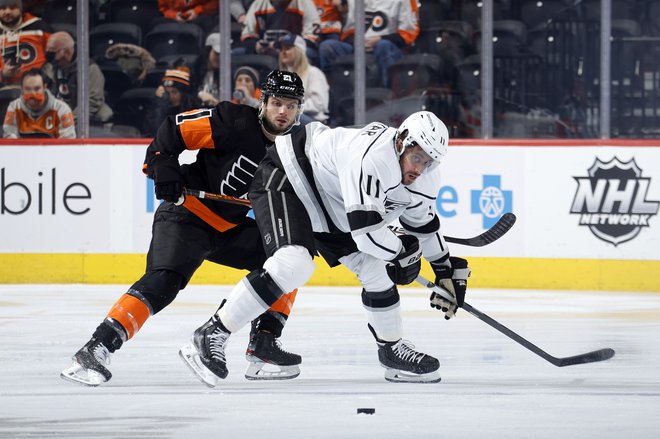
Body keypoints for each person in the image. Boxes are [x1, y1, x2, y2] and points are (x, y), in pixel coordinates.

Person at [180, 110, 471, 385]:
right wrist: (400, 253)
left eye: (429, 161)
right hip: (290, 174)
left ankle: (391, 349)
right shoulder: (372, 157)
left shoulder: (425, 176)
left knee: (374, 269)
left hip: (332, 200)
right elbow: (366, 236)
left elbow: (423, 226)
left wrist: (444, 267)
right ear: (401, 141)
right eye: (417, 157)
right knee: (294, 263)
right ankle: (213, 332)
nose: (420, 168)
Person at [60, 70, 307, 387]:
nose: (282, 112)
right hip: (186, 213)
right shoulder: (233, 120)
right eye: (276, 103)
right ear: (264, 102)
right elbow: (174, 130)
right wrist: (162, 165)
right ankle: (97, 347)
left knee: (290, 259)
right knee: (164, 281)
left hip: (228, 227)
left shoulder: (295, 151)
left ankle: (263, 343)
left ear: (299, 108)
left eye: (290, 104)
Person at [318, 0, 419, 87]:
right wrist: (356, 42)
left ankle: (386, 95)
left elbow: (409, 34)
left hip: (389, 48)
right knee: (328, 47)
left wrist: (380, 39)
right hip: (358, 47)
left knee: (383, 46)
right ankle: (333, 93)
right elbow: (348, 32)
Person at [42, 31, 113, 124]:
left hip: (83, 119)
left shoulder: (89, 69)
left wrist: (67, 120)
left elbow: (92, 102)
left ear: (66, 52)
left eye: (52, 53)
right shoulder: (50, 67)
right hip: (56, 115)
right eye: (47, 52)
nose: (48, 57)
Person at [3, 68, 75, 138]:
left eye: (37, 89)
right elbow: (9, 138)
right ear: (21, 90)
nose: (33, 94)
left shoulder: (62, 109)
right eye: (28, 89)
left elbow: (68, 142)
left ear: (44, 87)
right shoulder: (14, 107)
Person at [241, 0, 320, 59]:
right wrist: (256, 46)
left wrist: (286, 46)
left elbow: (312, 38)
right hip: (265, 52)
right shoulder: (258, 4)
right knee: (237, 53)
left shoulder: (304, 3)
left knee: (309, 53)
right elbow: (247, 35)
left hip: (294, 50)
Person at [277, 33, 328, 123]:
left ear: (299, 51)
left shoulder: (314, 73)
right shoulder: (281, 77)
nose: (283, 52)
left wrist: (291, 107)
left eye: (288, 48)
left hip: (312, 122)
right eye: (281, 49)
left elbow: (319, 104)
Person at [0, 0, 52, 87]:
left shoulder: (40, 27)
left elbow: (57, 57)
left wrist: (45, 76)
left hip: (38, 87)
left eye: (12, 8)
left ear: (20, 9)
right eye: (3, 8)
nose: (7, 12)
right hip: (4, 89)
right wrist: (2, 74)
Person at [143, 65, 202, 137]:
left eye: (174, 92)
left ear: (183, 94)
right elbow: (154, 130)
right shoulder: (158, 106)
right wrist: (159, 103)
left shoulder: (193, 109)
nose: (170, 96)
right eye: (167, 92)